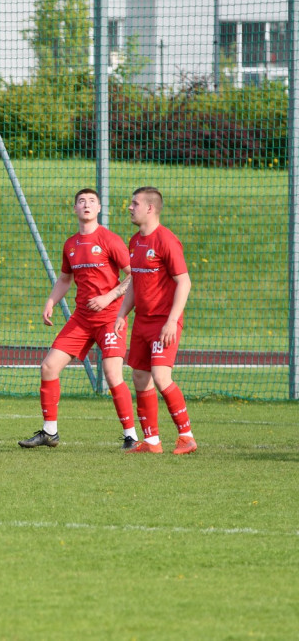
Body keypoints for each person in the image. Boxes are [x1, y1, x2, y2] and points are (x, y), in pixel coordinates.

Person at [19, 188, 138, 450]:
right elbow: (65, 279)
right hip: (82, 319)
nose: (86, 205)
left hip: (110, 317)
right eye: (81, 201)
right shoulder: (71, 244)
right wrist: (50, 301)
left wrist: (109, 297)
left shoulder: (110, 240)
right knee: (48, 367)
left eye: (91, 201)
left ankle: (131, 436)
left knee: (111, 374)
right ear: (75, 209)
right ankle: (50, 432)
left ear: (98, 209)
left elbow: (134, 275)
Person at [115, 186, 197, 455]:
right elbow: (136, 284)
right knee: (140, 376)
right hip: (142, 322)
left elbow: (184, 282)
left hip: (164, 321)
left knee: (161, 377)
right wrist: (121, 314)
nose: (130, 207)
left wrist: (172, 321)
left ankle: (186, 436)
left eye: (134, 203)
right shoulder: (134, 241)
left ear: (150, 208)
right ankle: (151, 442)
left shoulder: (166, 240)